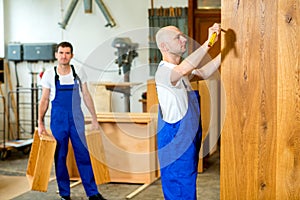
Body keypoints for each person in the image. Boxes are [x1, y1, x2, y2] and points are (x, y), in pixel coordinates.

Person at [155, 23, 221, 200]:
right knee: (179, 190)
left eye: (183, 35)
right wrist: (209, 42)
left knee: (186, 188)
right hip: (175, 143)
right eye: (178, 37)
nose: (184, 39)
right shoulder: (164, 73)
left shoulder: (181, 74)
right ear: (164, 46)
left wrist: (228, 51)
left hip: (187, 141)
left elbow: (205, 72)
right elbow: (183, 68)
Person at [38, 41, 106, 200]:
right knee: (60, 157)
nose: (64, 56)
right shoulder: (49, 74)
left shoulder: (78, 72)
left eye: (67, 53)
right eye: (61, 53)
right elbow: (44, 100)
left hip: (76, 119)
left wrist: (95, 119)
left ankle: (93, 193)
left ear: (72, 55)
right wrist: (40, 123)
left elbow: (86, 95)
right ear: (56, 55)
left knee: (83, 154)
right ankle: (64, 194)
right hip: (58, 120)